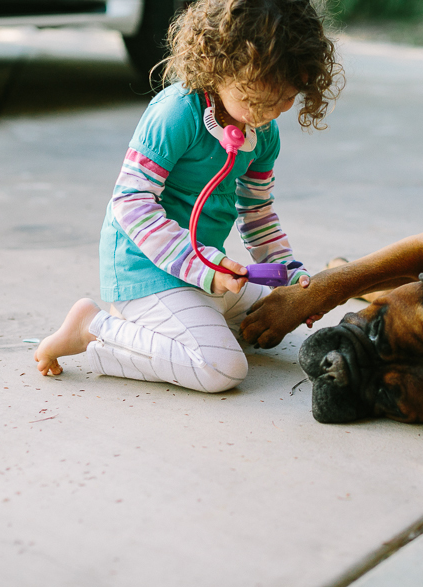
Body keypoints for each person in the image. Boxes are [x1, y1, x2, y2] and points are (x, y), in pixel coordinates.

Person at [34, 0, 344, 392]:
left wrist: (287, 274)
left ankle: (175, 323)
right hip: (146, 272)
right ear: (218, 66)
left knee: (273, 317)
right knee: (222, 368)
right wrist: (204, 269)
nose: (264, 115)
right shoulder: (176, 114)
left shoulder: (263, 134)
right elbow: (130, 203)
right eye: (252, 100)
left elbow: (257, 212)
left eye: (284, 99)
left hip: (205, 275)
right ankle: (94, 329)